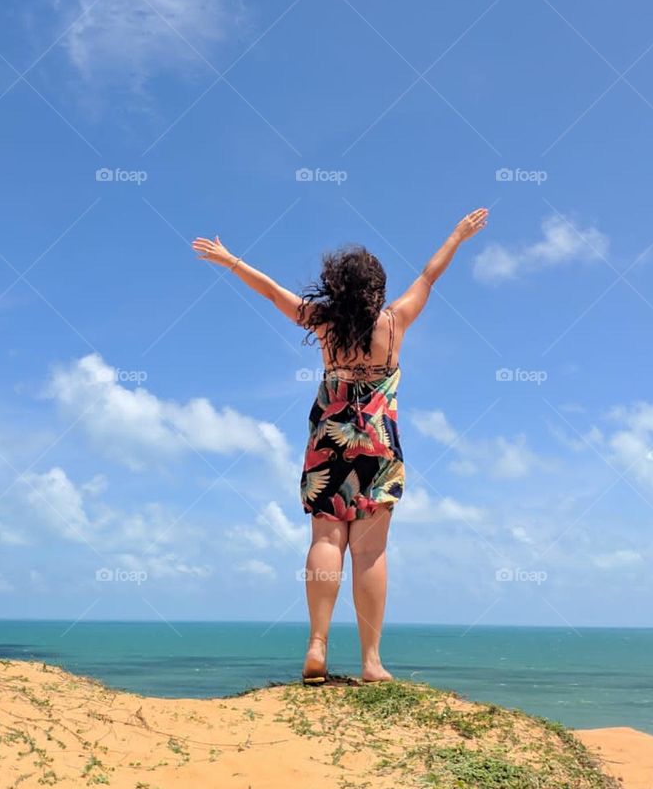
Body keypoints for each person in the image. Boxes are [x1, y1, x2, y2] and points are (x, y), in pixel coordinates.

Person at [192, 207, 489, 686]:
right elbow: (430, 276)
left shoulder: (324, 326)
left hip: (328, 442)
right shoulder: (394, 324)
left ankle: (317, 646)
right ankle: (371, 661)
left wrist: (230, 260)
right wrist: (458, 233)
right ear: (376, 288)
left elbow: (271, 292)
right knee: (369, 553)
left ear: (336, 287)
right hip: (377, 445)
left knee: (326, 539)